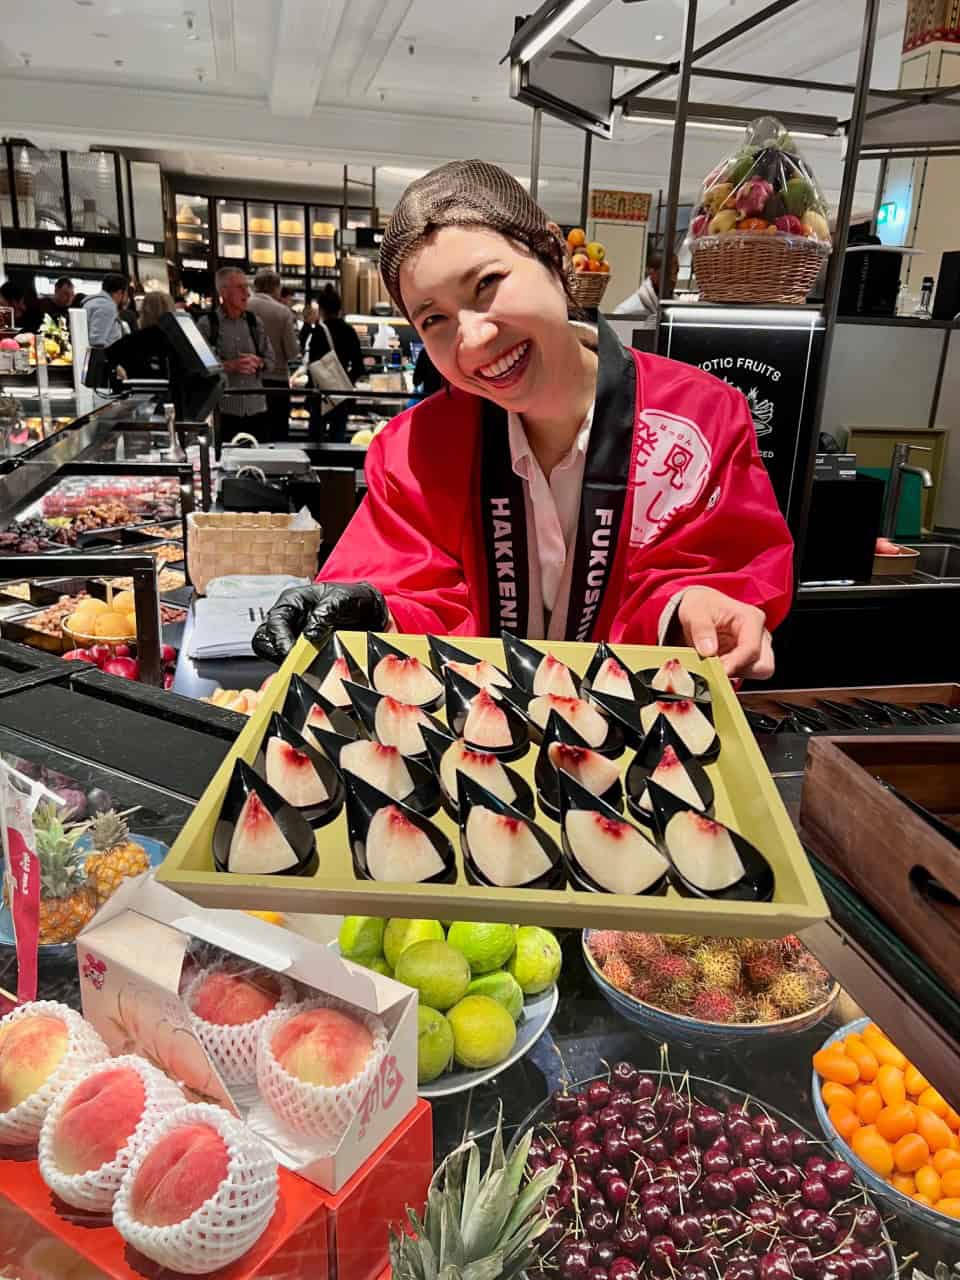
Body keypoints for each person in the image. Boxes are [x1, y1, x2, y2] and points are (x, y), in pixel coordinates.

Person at [254, 160, 792, 679]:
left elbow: (723, 564)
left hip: (646, 739)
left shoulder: (698, 415)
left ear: (555, 257)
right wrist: (371, 609)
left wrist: (695, 604)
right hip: (470, 745)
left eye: (487, 284)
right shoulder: (414, 452)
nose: (473, 338)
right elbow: (411, 591)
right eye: (434, 319)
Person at [197, 267, 274, 443]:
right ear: (223, 292)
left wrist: (258, 362)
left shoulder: (255, 322)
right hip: (225, 413)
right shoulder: (207, 325)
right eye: (240, 287)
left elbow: (271, 361)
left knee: (259, 463)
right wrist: (230, 366)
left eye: (246, 287)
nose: (247, 293)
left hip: (257, 410)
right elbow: (200, 368)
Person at [305, 284, 364, 444]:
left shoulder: (318, 331)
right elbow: (359, 367)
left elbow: (312, 366)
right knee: (338, 442)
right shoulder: (349, 331)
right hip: (341, 397)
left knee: (315, 443)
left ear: (322, 309)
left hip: (320, 396)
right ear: (339, 308)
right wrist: (345, 382)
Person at [247, 269, 300, 442]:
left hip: (246, 383)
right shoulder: (283, 312)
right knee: (277, 437)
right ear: (276, 288)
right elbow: (292, 353)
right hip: (276, 383)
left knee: (251, 435)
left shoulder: (242, 307)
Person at [613, 250, 679, 326]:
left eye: (676, 272)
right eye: (668, 272)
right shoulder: (626, 311)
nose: (673, 278)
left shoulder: (678, 309)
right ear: (651, 272)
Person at [82, 273, 128, 346]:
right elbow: (97, 341)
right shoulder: (106, 306)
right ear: (120, 292)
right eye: (126, 293)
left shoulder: (92, 302)